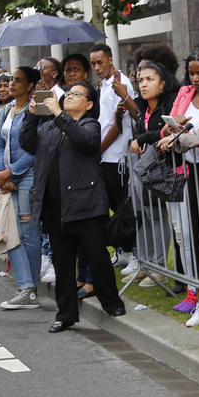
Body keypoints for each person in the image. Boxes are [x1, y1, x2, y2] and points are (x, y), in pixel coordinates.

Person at [20, 80, 126, 332]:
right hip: (54, 208)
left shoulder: (90, 125)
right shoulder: (50, 127)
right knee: (63, 264)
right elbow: (27, 142)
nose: (69, 96)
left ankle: (111, 303)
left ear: (88, 104)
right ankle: (65, 314)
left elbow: (84, 141)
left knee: (97, 257)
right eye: (68, 93)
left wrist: (58, 113)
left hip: (85, 205)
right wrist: (31, 116)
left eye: (77, 94)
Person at [156, 41, 199, 302]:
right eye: (191, 73)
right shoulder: (184, 92)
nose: (196, 79)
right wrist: (172, 128)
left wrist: (187, 136)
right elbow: (166, 129)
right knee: (194, 230)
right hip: (189, 170)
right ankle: (198, 285)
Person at [127, 60, 180, 291]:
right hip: (145, 165)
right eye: (141, 80)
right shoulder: (141, 106)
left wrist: (143, 138)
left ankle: (160, 268)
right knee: (145, 214)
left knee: (158, 216)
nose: (144, 84)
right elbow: (142, 133)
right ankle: (146, 263)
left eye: (150, 79)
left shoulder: (170, 103)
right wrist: (140, 139)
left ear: (162, 83)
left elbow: (166, 132)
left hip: (165, 166)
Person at [0, 66, 41, 310]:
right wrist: (0, 174)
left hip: (28, 177)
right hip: (8, 178)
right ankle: (26, 287)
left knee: (28, 233)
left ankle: (30, 289)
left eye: (18, 80)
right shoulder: (5, 111)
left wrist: (10, 171)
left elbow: (36, 149)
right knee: (8, 232)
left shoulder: (36, 110)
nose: (11, 84)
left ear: (30, 85)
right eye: (11, 79)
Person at [90, 43, 139, 272]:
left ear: (110, 59)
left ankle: (135, 252)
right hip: (107, 156)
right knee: (115, 205)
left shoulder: (121, 83)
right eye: (93, 63)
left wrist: (99, 149)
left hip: (117, 156)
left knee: (124, 206)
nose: (96, 67)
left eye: (100, 62)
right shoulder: (106, 84)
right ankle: (125, 251)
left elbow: (118, 125)